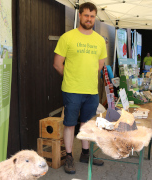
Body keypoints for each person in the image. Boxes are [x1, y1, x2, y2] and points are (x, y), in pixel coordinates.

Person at [53, 2, 107, 174]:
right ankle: (69, 156)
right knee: (69, 124)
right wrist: (71, 77)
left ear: (95, 18)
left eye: (92, 16)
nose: (89, 19)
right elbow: (57, 64)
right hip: (71, 90)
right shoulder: (67, 37)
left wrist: (86, 78)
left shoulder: (99, 40)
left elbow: (100, 65)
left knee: (86, 123)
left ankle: (85, 154)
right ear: (80, 16)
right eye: (86, 15)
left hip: (91, 90)